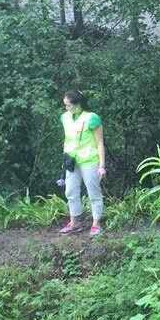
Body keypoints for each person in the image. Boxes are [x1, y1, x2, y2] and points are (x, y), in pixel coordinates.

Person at [58, 90, 107, 237]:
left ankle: (96, 224)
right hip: (71, 161)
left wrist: (102, 166)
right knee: (70, 191)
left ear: (77, 104)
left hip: (90, 161)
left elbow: (99, 143)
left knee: (93, 192)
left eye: (68, 105)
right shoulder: (65, 118)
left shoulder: (92, 118)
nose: (66, 108)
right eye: (65, 105)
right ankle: (75, 222)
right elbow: (68, 139)